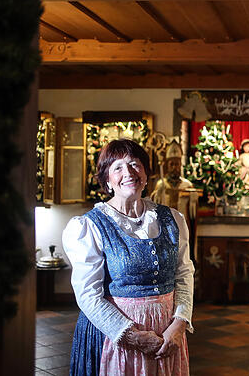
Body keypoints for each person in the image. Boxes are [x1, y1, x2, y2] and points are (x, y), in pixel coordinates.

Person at [63, 139, 195, 376]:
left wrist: (179, 324)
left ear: (146, 173)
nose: (129, 173)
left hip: (168, 334)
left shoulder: (173, 219)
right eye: (118, 168)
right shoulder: (89, 226)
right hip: (116, 336)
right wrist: (132, 336)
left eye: (135, 164)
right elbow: (87, 295)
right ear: (107, 181)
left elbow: (184, 274)